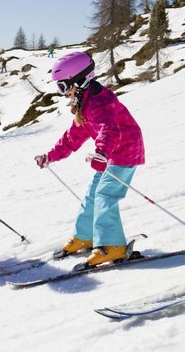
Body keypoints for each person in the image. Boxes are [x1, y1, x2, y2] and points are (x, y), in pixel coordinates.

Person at [34, 52, 145, 267]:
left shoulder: (101, 102)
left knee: (105, 194)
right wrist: (50, 156)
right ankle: (86, 236)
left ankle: (112, 246)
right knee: (93, 195)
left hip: (124, 151)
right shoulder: (85, 104)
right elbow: (72, 137)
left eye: (64, 87)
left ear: (81, 81)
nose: (63, 93)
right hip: (109, 155)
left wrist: (102, 153)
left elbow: (109, 129)